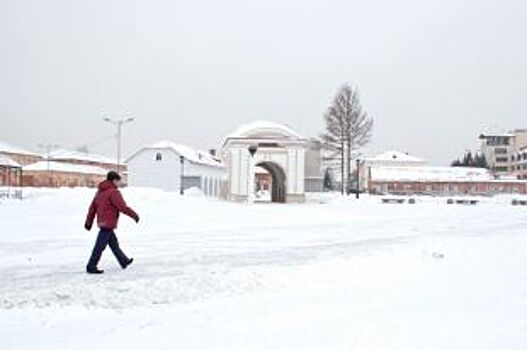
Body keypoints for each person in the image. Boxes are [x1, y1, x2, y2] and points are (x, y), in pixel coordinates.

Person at [84, 171, 140, 274]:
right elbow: (122, 207)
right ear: (114, 180)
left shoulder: (100, 192)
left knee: (114, 244)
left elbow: (92, 208)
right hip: (108, 223)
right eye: (119, 181)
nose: (119, 184)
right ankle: (91, 266)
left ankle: (124, 261)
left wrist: (88, 222)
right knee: (99, 246)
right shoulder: (113, 192)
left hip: (102, 222)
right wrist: (134, 215)